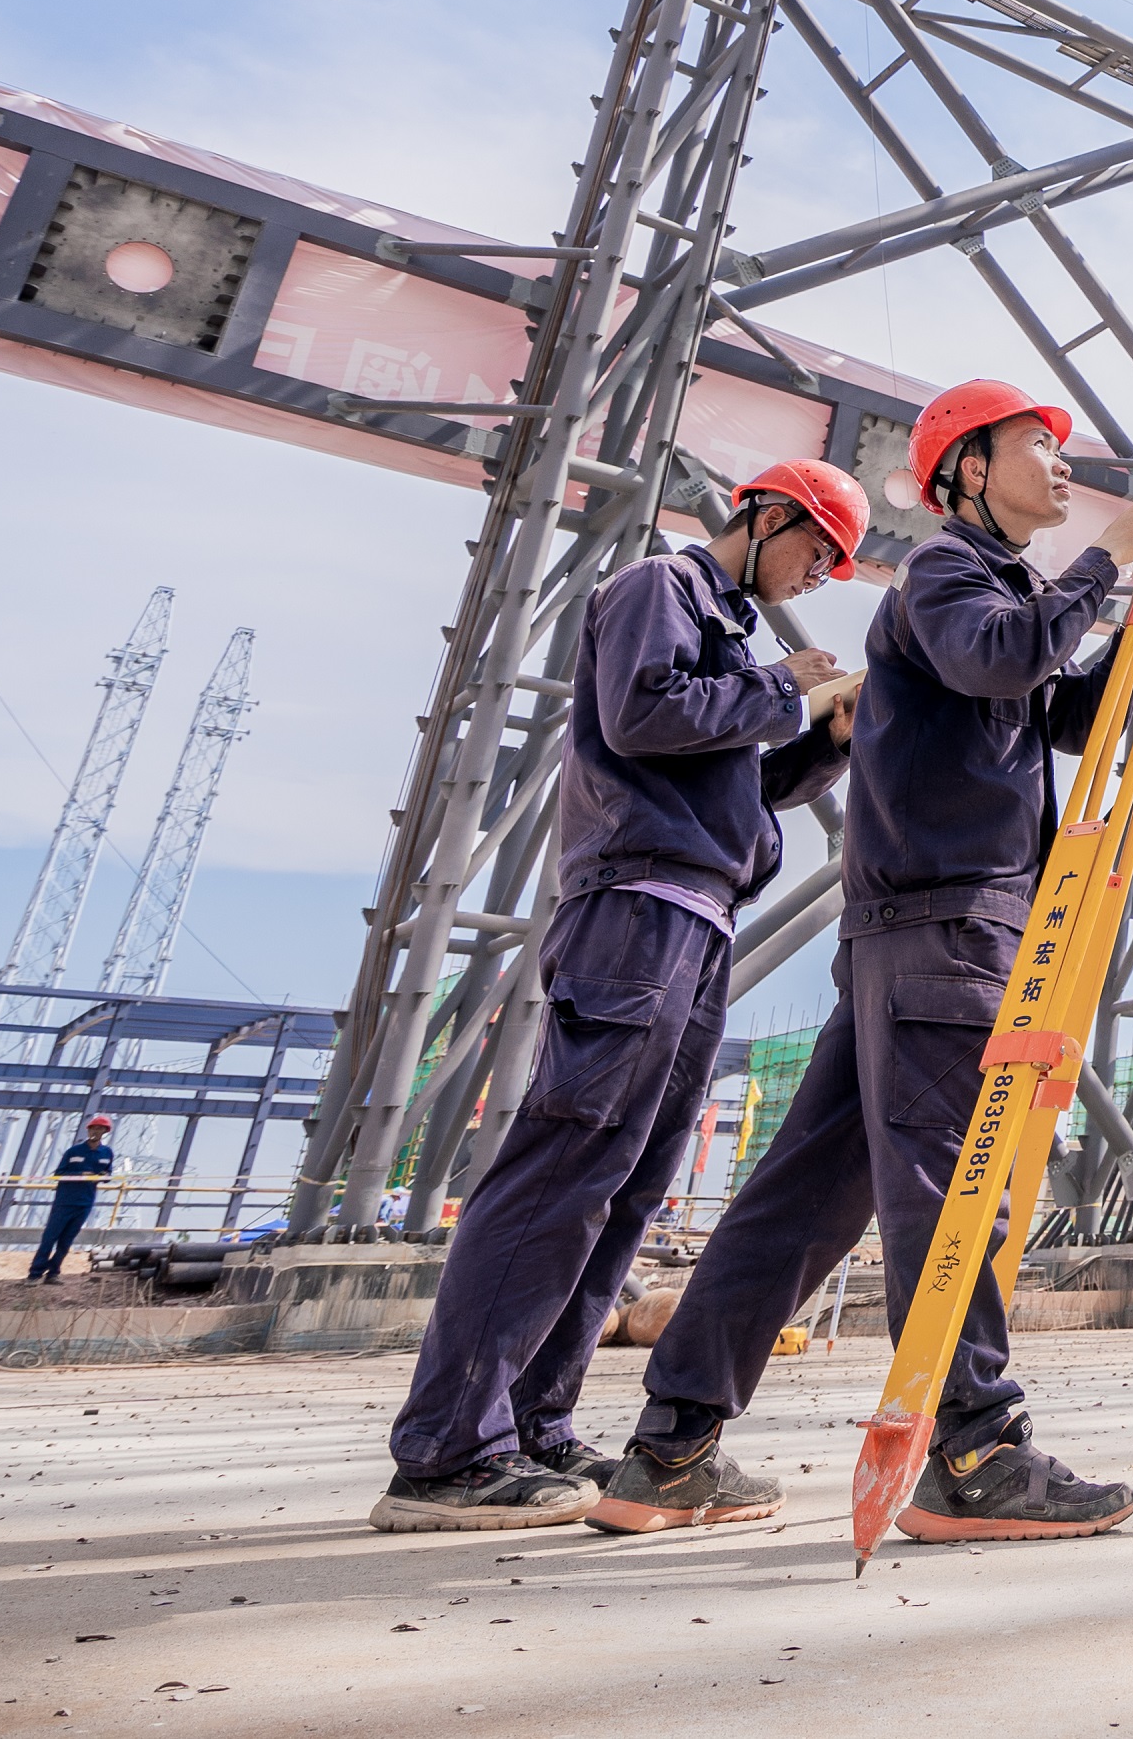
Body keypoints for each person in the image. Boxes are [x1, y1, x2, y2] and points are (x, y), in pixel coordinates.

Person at [595, 379, 1133, 1543]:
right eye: (1036, 445)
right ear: (964, 465)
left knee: (798, 1200)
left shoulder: (1001, 588)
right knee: (953, 1192)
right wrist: (1108, 561)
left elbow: (1060, 705)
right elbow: (1005, 659)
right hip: (945, 926)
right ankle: (970, 1446)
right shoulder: (950, 574)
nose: (1063, 468)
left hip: (911, 933)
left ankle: (668, 1449)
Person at [365, 459, 871, 1535]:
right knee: (567, 1164)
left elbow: (732, 775)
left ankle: (535, 1420)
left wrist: (820, 741)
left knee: (629, 1183)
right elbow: (645, 717)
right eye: (815, 549)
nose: (817, 574)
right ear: (769, 512)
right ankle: (449, 1447)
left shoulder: (729, 638)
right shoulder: (660, 589)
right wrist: (790, 686)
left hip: (695, 918)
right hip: (634, 907)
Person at [28, 1114, 117, 1282]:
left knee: (66, 1240)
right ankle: (35, 1274)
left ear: (105, 1132)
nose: (96, 1131)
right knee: (50, 1238)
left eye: (100, 1129)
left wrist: (103, 1175)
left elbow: (108, 1174)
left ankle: (53, 1273)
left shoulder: (106, 1153)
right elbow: (59, 1174)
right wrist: (80, 1174)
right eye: (94, 1128)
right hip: (65, 1201)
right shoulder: (74, 1151)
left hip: (85, 1203)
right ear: (88, 1130)